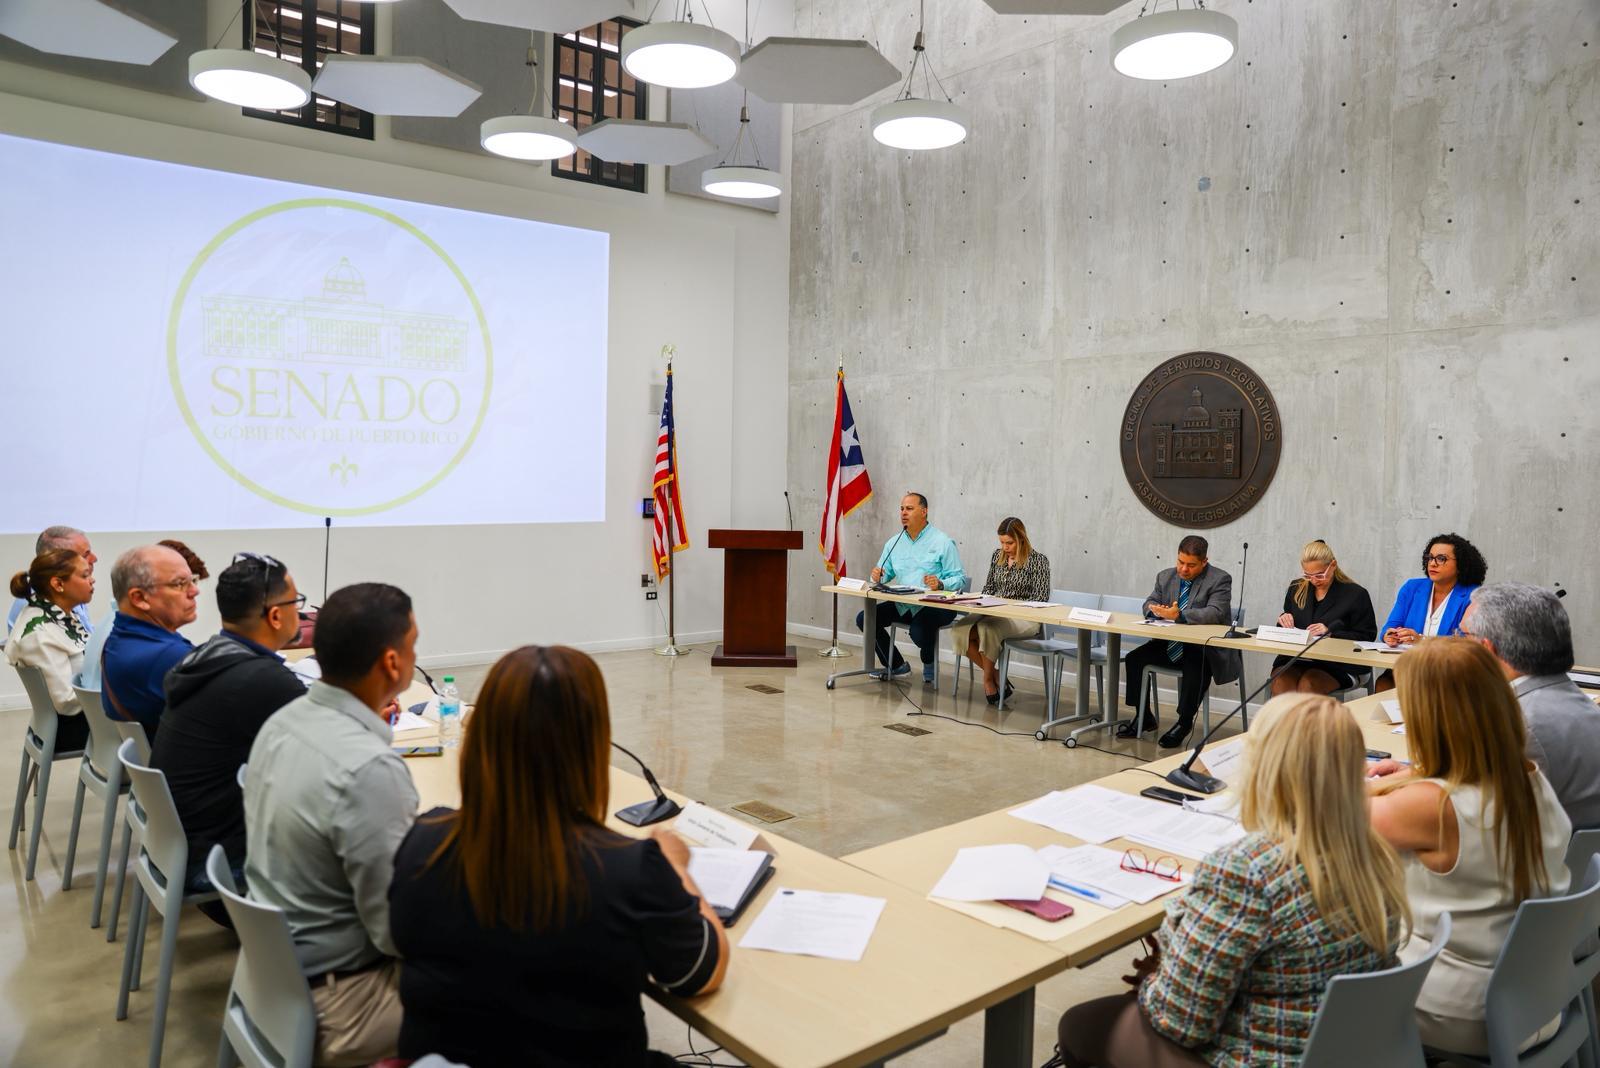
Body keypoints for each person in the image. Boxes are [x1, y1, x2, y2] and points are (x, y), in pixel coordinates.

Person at [389, 646, 728, 1067]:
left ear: (481, 741)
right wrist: (677, 867)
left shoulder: (421, 842)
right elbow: (700, 973)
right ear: (589, 747)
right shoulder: (629, 869)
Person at [1057, 693, 1410, 1067]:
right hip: (1341, 1049)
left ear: (1264, 767)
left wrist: (1163, 969)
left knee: (1081, 1024)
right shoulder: (1374, 851)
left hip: (1256, 1055)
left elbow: (1182, 1024)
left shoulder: (1249, 870)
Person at [244, 582, 419, 1067]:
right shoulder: (368, 769)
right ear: (391, 663)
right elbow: (396, 935)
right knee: (520, 977)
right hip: (341, 1007)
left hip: (271, 979)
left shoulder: (283, 722)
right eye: (412, 645)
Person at [1368, 638, 1570, 1056]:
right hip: (1538, 993)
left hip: (1463, 1010)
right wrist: (1413, 774)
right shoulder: (1527, 776)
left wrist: (1395, 780)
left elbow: (1331, 816)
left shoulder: (1434, 805)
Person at [151, 553, 307, 895]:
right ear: (277, 616)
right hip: (221, 867)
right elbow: (328, 759)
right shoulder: (264, 680)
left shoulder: (209, 654)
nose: (303, 611)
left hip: (180, 847)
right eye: (297, 602)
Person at [1459, 583, 1600, 829]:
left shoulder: (1517, 724)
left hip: (1534, 861)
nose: (1457, 645)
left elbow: (1469, 816)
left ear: (1487, 649)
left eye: (1463, 635)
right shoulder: (1579, 704)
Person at [1118, 535, 1242, 749]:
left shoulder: (1220, 579)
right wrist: (1155, 611)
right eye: (1180, 562)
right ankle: (1144, 716)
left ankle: (1184, 723)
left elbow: (1216, 612)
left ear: (1204, 562)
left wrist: (1180, 615)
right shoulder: (1165, 576)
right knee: (1134, 658)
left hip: (1204, 649)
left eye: (1191, 565)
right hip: (1170, 644)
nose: (1184, 569)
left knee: (1196, 662)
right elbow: (1149, 602)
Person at [856, 492, 967, 685]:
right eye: (901, 509)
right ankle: (897, 665)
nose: (904, 513)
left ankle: (928, 661)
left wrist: (941, 584)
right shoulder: (894, 542)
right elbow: (884, 574)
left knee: (919, 632)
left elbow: (960, 578)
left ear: (924, 512)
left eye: (909, 508)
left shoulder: (942, 542)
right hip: (904, 604)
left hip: (936, 606)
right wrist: (878, 575)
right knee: (866, 618)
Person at [99, 545, 198, 742]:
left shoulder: (119, 640)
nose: (195, 591)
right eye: (180, 584)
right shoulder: (168, 657)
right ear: (139, 598)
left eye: (192, 580)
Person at [950, 517, 1051, 704]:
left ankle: (988, 680)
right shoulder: (997, 556)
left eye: (1009, 543)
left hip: (1025, 619)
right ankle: (998, 675)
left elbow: (1040, 598)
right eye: (1002, 542)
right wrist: (981, 601)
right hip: (993, 613)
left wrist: (1007, 607)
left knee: (988, 629)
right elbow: (989, 588)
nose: (1005, 547)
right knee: (959, 630)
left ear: (1022, 539)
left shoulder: (1038, 561)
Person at [6, 549, 96, 752]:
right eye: (84, 575)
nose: (92, 580)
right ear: (58, 584)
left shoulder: (54, 614)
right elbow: (66, 702)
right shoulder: (41, 633)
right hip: (69, 728)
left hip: (69, 720)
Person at [1373, 532, 1486, 691]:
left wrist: (1422, 640)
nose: (1433, 563)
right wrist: (1390, 635)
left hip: (1448, 668)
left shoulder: (1473, 595)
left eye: (1441, 559)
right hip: (1409, 663)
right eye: (1430, 558)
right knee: (1385, 683)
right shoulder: (1412, 588)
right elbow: (1390, 626)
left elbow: (1466, 642)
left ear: (1461, 564)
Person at [1269, 539, 1377, 695]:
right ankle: (1289, 720)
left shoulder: (1355, 594)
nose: (1313, 581)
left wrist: (1331, 633)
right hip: (1296, 659)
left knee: (1309, 684)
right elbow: (1289, 629)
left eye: (1319, 575)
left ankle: (1306, 720)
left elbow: (1367, 636)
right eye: (1308, 575)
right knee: (1281, 684)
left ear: (1332, 565)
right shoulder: (1296, 588)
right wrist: (1283, 620)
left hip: (1338, 664)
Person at [6, 525, 96, 633]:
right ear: (56, 562)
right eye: (85, 555)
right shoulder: (38, 610)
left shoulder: (66, 592)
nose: (94, 559)